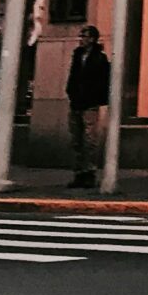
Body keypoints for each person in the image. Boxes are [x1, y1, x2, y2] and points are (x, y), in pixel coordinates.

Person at [65, 23, 111, 188]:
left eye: (84, 36)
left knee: (90, 138)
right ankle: (79, 172)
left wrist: (96, 97)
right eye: (81, 36)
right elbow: (73, 75)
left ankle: (89, 172)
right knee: (76, 139)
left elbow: (103, 80)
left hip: (90, 102)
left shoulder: (100, 57)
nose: (81, 39)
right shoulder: (77, 55)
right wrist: (71, 92)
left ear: (92, 39)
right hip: (76, 101)